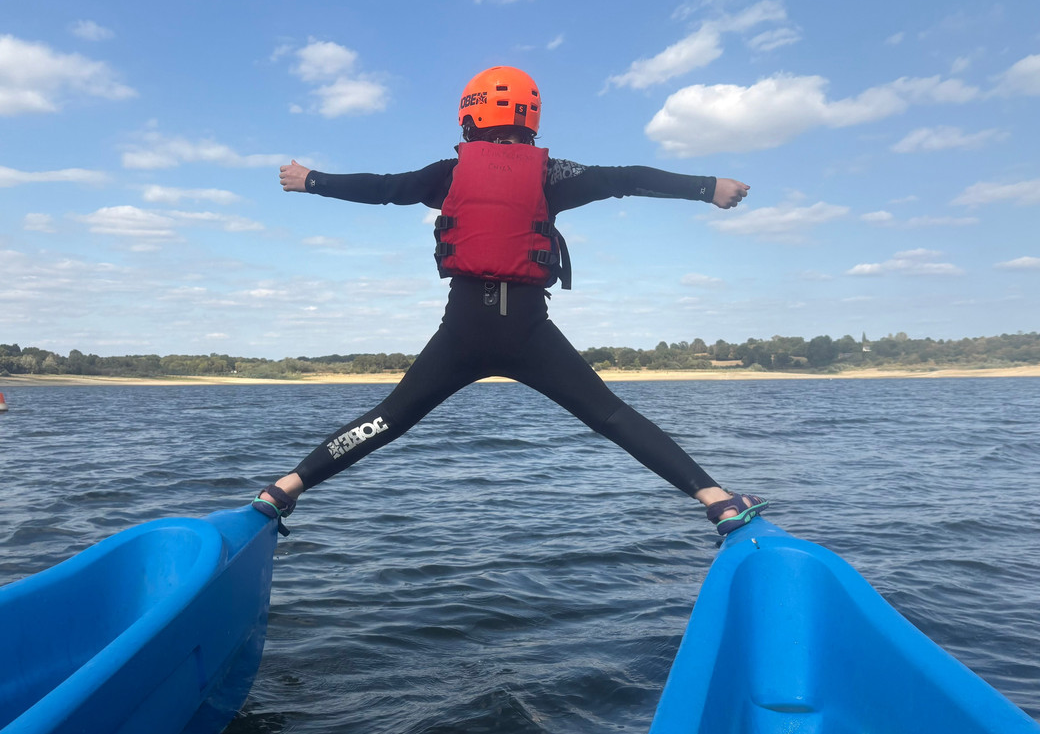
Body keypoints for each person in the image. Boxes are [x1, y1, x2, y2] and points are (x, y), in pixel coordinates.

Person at [253, 66, 767, 538]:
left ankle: (283, 489)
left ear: (469, 116)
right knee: (610, 415)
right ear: (533, 119)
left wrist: (311, 181)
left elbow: (384, 188)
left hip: (464, 329)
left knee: (389, 417)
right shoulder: (553, 173)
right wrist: (707, 187)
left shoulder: (450, 172)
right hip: (526, 331)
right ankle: (717, 500)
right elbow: (627, 177)